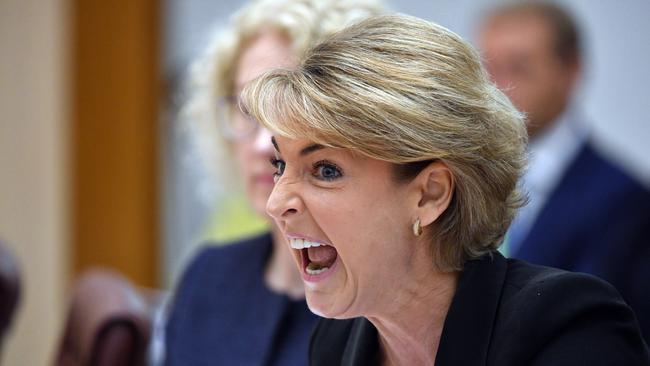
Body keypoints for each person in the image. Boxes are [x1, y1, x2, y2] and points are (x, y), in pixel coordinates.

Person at [241, 14, 650, 365]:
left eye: (325, 170)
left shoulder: (567, 329)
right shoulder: (335, 343)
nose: (277, 203)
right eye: (281, 165)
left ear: (430, 194)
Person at [162, 0, 384, 365]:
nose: (263, 143)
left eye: (291, 110)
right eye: (246, 109)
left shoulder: (386, 304)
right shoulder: (207, 276)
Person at [478, 2, 650, 343]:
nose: (498, 88)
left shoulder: (623, 199)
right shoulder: (454, 180)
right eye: (487, 70)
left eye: (519, 68)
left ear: (570, 69)